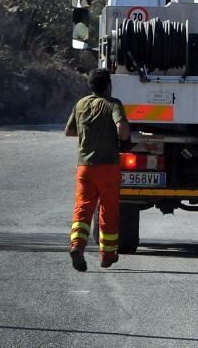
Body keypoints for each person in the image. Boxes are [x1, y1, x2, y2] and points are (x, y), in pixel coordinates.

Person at [64, 68, 131, 271]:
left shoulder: (81, 103)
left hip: (85, 167)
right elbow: (121, 128)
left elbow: (69, 131)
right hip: (108, 166)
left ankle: (77, 246)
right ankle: (107, 255)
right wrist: (125, 138)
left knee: (83, 208)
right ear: (108, 85)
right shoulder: (113, 104)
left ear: (91, 86)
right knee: (108, 210)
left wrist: (88, 135)